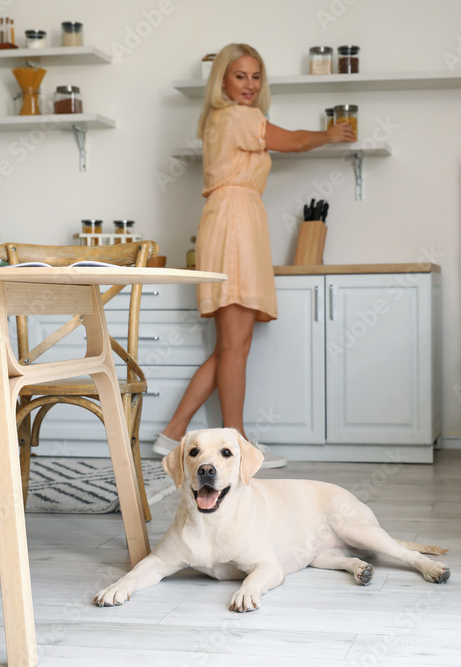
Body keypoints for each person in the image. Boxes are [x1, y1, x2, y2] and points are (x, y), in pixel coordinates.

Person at [152, 43, 356, 468]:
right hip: (234, 227)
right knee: (234, 345)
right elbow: (292, 141)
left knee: (233, 346)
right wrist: (329, 134)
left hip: (232, 221)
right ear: (222, 80)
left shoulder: (219, 119)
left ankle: (175, 434)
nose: (249, 84)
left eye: (256, 76)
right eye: (240, 75)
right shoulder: (241, 117)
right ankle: (234, 444)